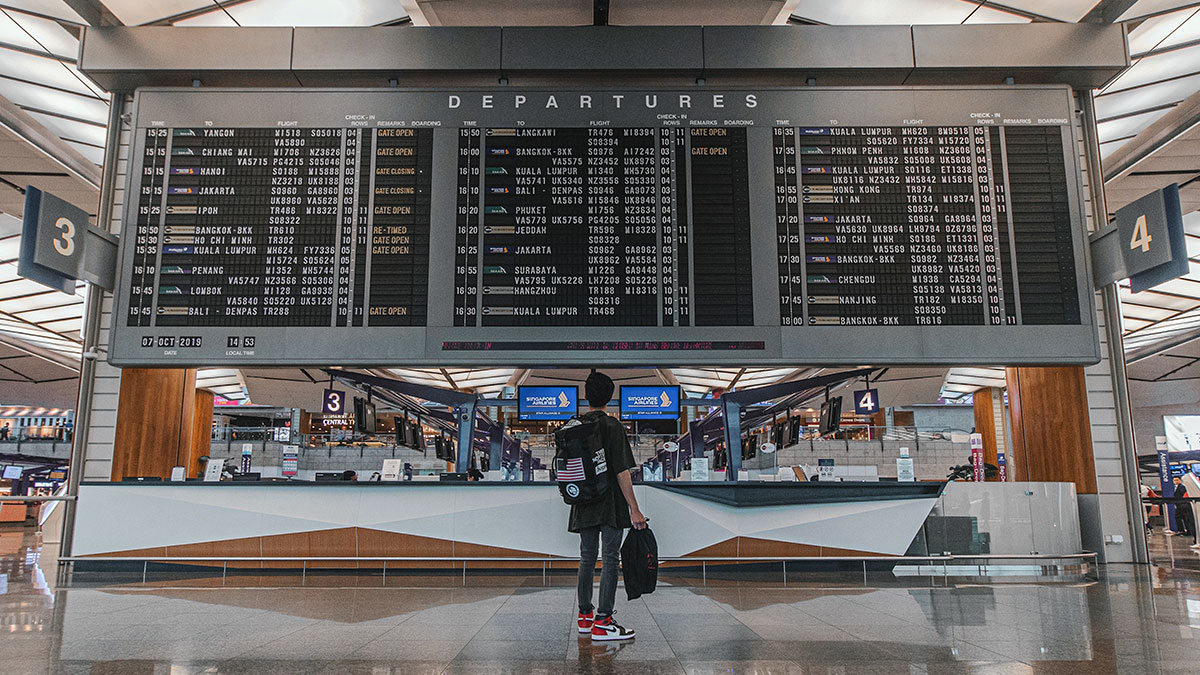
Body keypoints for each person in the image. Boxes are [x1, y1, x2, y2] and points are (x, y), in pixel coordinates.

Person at [571, 371, 647, 642]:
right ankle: (603, 622)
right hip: (610, 502)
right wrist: (635, 508)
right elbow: (622, 471)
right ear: (610, 397)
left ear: (585, 396)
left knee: (586, 557)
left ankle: (584, 617)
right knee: (610, 557)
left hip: (583, 500)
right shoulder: (613, 427)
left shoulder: (574, 424)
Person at [1172, 476, 1198, 548]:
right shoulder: (1178, 488)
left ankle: (1194, 537)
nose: (1176, 481)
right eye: (1174, 480)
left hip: (1185, 506)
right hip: (1184, 506)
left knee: (1190, 521)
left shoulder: (1183, 488)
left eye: (1177, 480)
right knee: (1188, 520)